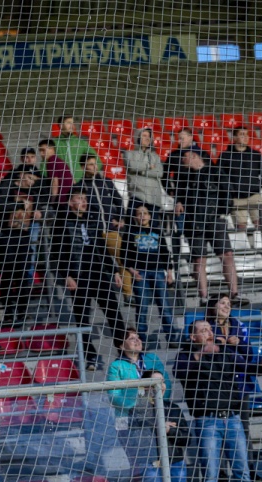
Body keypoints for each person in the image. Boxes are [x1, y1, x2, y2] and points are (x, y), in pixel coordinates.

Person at [174, 320, 262, 482]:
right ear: (193, 337)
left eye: (210, 329)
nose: (209, 332)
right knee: (210, 477)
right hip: (207, 421)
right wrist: (203, 353)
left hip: (233, 419)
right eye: (203, 331)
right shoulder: (185, 356)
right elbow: (180, 371)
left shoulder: (225, 352)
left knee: (242, 474)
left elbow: (248, 368)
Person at [51, 189, 129, 371]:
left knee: (115, 314)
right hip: (79, 276)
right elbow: (57, 252)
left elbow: (102, 247)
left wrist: (114, 271)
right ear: (70, 202)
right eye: (79, 198)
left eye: (85, 198)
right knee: (82, 319)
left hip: (99, 274)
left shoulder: (92, 219)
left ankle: (123, 351)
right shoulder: (61, 223)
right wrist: (66, 275)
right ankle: (91, 356)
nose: (84, 202)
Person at [175, 151, 247, 306]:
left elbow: (227, 193)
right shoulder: (183, 176)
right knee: (199, 259)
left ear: (194, 156)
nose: (182, 160)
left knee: (227, 255)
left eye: (184, 157)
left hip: (215, 220)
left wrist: (222, 212)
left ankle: (234, 294)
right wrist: (178, 202)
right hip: (194, 223)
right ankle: (204, 297)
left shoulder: (215, 171)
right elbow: (178, 195)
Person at [124, 205, 182, 349]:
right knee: (142, 307)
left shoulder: (157, 231)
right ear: (135, 217)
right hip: (140, 273)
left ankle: (171, 336)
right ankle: (142, 339)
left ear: (150, 216)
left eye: (145, 213)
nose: (142, 216)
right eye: (139, 213)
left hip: (158, 271)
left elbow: (165, 253)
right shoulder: (130, 233)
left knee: (164, 306)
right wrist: (132, 271)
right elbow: (124, 255)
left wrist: (169, 272)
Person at [77, 153, 132, 299]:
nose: (95, 167)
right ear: (83, 167)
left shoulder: (106, 182)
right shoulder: (80, 186)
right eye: (90, 164)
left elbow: (118, 201)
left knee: (122, 256)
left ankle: (128, 293)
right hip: (93, 233)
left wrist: (120, 218)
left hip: (109, 230)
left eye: (95, 163)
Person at [163, 127, 209, 260]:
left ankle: (198, 258)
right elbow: (164, 176)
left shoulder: (201, 153)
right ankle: (185, 260)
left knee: (201, 231)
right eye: (178, 138)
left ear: (190, 137)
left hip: (201, 199)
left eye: (182, 138)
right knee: (182, 231)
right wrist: (170, 191)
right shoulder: (174, 156)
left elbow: (210, 172)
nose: (180, 141)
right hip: (182, 200)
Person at [106, 328, 173, 416]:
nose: (137, 340)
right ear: (121, 346)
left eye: (138, 337)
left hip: (157, 410)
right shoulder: (116, 366)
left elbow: (166, 383)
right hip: (129, 415)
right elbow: (114, 396)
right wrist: (137, 406)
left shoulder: (152, 358)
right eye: (132, 338)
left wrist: (158, 402)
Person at [0, 201, 36, 326]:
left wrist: (22, 212)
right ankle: (8, 314)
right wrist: (18, 207)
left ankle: (22, 313)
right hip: (6, 248)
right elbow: (7, 218)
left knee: (23, 282)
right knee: (7, 282)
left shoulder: (27, 202)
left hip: (22, 248)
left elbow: (26, 223)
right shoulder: (6, 202)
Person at [218, 127, 262, 231]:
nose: (246, 137)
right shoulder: (225, 156)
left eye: (247, 134)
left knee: (260, 225)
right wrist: (231, 190)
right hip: (236, 198)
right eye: (242, 134)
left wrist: (256, 186)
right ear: (234, 137)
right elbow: (219, 176)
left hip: (254, 196)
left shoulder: (255, 155)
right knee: (241, 228)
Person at [124, 127, 168, 216]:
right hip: (137, 195)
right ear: (137, 137)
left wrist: (142, 172)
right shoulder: (129, 154)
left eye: (149, 136)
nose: (147, 138)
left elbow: (159, 172)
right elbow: (132, 166)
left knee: (154, 223)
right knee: (132, 222)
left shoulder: (155, 156)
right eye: (144, 135)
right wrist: (149, 166)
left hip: (154, 197)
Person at [54, 115, 102, 181]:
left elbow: (98, 161)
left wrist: (88, 175)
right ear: (61, 125)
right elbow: (46, 164)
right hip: (62, 183)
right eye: (68, 123)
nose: (72, 126)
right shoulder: (54, 143)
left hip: (81, 182)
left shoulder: (81, 143)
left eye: (73, 123)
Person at [39, 139, 73, 206]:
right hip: (69, 197)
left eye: (43, 150)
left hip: (61, 200)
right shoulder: (59, 161)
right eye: (40, 151)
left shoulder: (51, 161)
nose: (41, 153)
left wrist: (52, 201)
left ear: (52, 149)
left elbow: (54, 182)